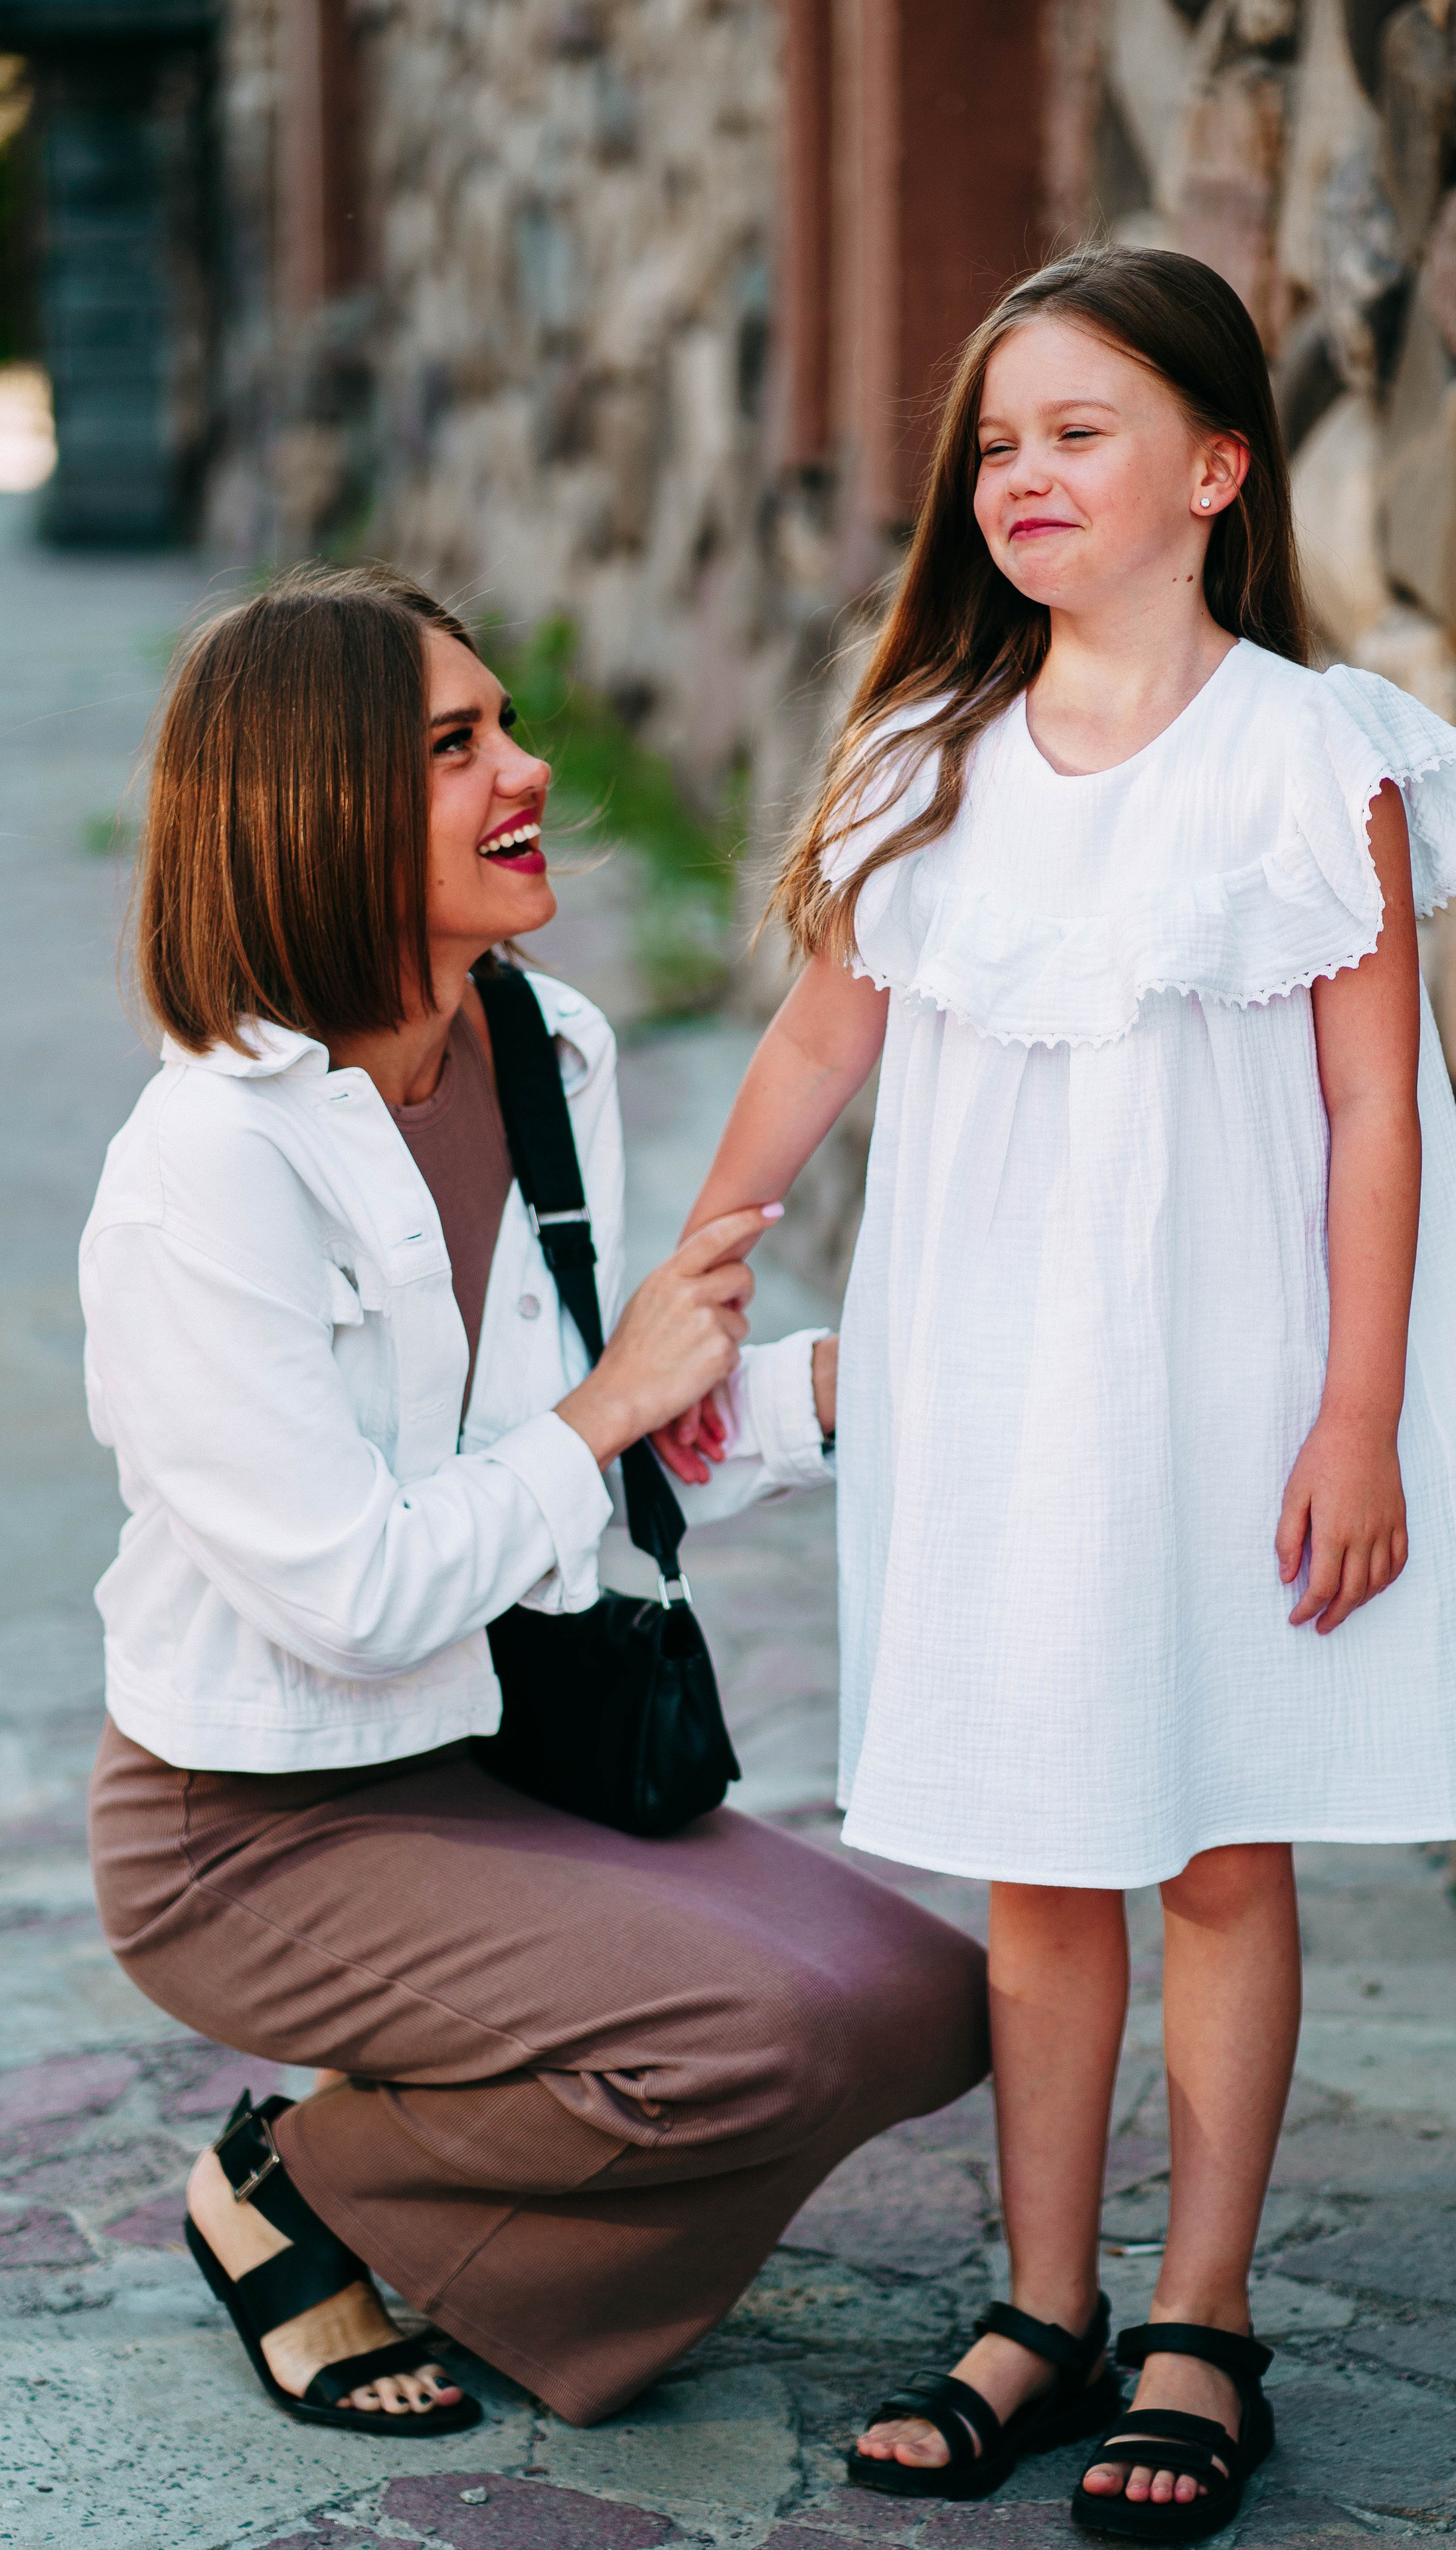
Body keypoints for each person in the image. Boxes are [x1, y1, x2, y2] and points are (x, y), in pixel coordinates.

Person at [659, 248, 1456, 2540]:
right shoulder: (925, 763)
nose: (1021, 477)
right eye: (994, 442)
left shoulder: (1312, 758)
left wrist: (1355, 1418)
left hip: (1234, 1382)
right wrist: (705, 1263)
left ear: (1216, 466)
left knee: (1220, 1841)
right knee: (1042, 1853)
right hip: (1001, 1380)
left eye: (1077, 431)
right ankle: (1039, 2302)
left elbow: (1377, 1111)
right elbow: (823, 1043)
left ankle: (1204, 2314)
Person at [81, 563, 988, 2440]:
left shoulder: (537, 1045)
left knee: (921, 2003)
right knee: (748, 2036)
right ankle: (298, 2191)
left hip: (498, 1744)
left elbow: (595, 1443)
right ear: (313, 807)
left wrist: (881, 1393)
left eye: (507, 723)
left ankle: (464, 2239)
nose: (531, 767)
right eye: (452, 746)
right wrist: (600, 1413)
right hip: (252, 1823)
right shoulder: (210, 1169)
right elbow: (355, 1588)